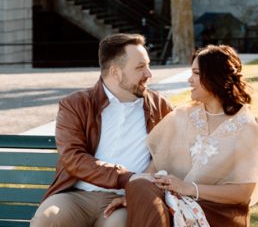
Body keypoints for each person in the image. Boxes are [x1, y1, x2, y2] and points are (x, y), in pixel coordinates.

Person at [104, 45, 258, 227]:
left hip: (216, 212)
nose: (189, 80)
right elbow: (154, 168)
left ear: (216, 77)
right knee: (138, 184)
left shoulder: (246, 127)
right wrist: (135, 196)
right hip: (173, 203)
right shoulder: (182, 116)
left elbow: (243, 193)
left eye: (196, 73)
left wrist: (189, 188)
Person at [31, 33, 174, 227]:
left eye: (148, 65)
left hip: (125, 199)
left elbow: (168, 154)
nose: (149, 74)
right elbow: (73, 157)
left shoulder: (159, 107)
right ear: (115, 72)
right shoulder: (76, 104)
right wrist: (126, 177)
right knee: (46, 218)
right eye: (140, 67)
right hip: (76, 197)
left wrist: (138, 186)